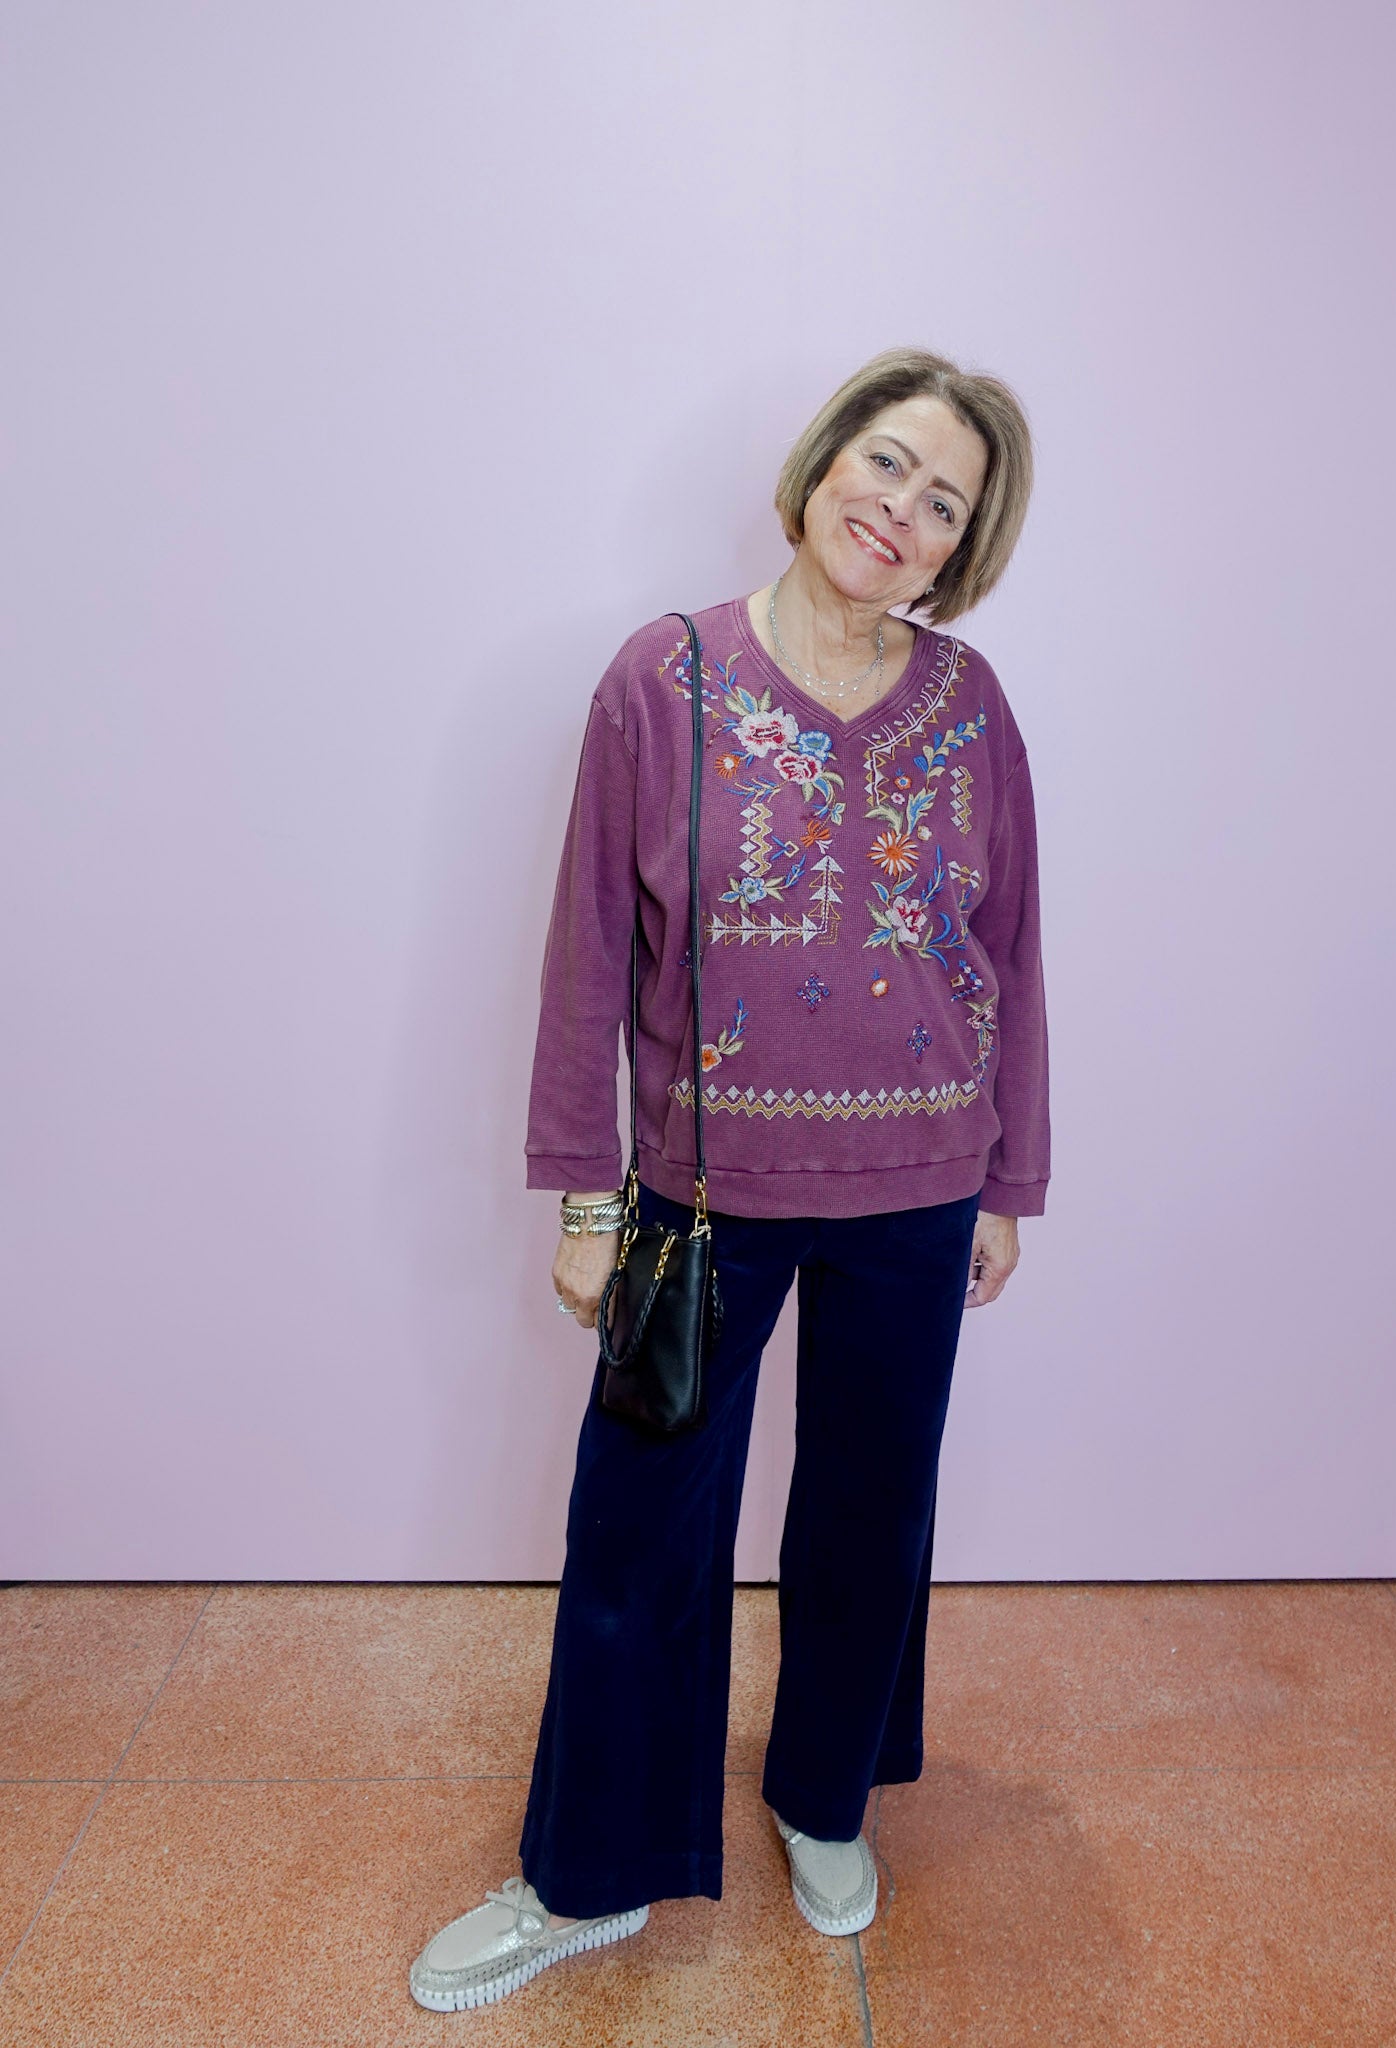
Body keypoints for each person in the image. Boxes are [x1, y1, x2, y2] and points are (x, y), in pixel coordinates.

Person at [409, 345, 1050, 2013]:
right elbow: (584, 957)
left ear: (963, 547)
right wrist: (586, 1193)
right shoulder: (664, 681)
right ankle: (586, 1873)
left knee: (869, 1515)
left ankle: (824, 1799)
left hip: (920, 1182)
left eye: (945, 502)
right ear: (823, 458)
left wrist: (1008, 1179)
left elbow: (1013, 948)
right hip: (703, 1196)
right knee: (638, 1533)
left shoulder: (971, 706)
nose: (901, 512)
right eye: (888, 464)